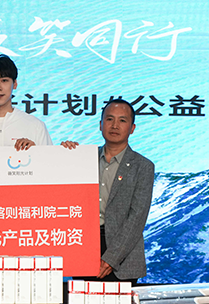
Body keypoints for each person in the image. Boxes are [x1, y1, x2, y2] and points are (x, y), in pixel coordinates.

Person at [63, 98, 155, 282]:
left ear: (132, 128)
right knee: (82, 300)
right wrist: (63, 154)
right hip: (84, 247)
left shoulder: (143, 166)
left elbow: (137, 219)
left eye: (122, 120)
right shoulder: (82, 159)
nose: (115, 125)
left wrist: (111, 258)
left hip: (123, 257)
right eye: (109, 119)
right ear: (100, 124)